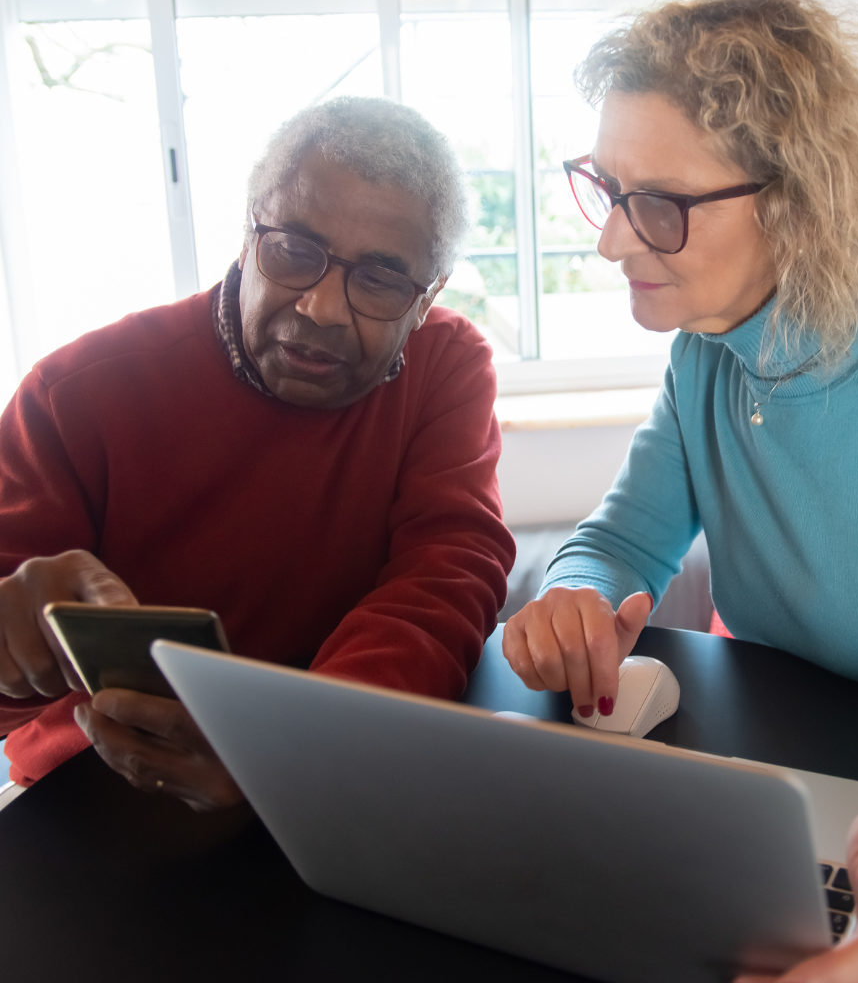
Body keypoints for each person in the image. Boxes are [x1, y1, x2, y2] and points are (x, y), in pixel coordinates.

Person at [502, 0, 858, 982]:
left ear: (799, 201)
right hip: (774, 795)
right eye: (607, 187)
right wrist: (574, 599)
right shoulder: (707, 352)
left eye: (659, 205)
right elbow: (618, 542)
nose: (609, 240)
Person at [0, 96, 515, 811]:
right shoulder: (72, 396)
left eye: (380, 280)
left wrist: (292, 748)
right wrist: (12, 650)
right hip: (99, 792)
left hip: (331, 763)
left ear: (426, 300)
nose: (322, 309)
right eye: (294, 252)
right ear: (247, 239)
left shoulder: (445, 364)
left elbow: (447, 573)